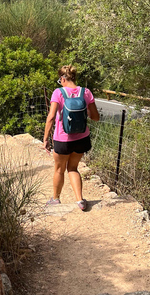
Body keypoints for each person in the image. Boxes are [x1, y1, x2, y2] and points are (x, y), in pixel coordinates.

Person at [43, 65, 100, 211]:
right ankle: (80, 201)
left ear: (62, 78)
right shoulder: (86, 92)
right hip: (82, 139)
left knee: (59, 170)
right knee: (73, 168)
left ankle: (55, 199)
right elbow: (95, 117)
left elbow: (50, 118)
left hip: (63, 139)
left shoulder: (58, 93)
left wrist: (45, 139)